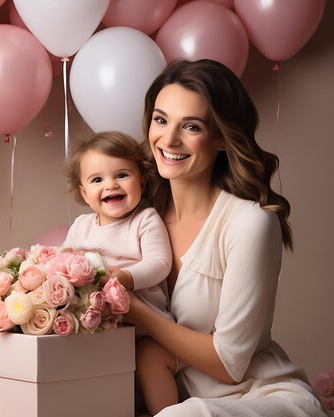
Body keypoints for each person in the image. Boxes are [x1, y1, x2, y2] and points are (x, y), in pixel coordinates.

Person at [125, 58, 328, 417]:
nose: (168, 139)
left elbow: (229, 363)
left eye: (190, 126)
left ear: (221, 137)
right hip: (179, 399)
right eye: (160, 119)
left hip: (259, 397)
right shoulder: (140, 217)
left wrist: (138, 312)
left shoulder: (250, 223)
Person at [62, 131, 173, 324]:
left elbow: (160, 263)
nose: (111, 185)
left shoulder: (144, 220)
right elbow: (64, 258)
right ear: (85, 193)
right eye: (97, 180)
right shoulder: (81, 225)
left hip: (143, 320)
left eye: (122, 175)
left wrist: (128, 277)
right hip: (95, 318)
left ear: (142, 182)